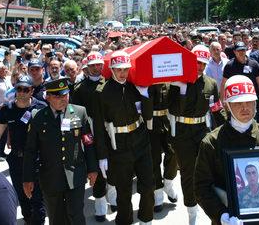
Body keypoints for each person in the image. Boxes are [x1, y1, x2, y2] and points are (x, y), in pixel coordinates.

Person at [195, 75, 259, 225]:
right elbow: (201, 187)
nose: (245, 107)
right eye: (238, 103)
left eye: (249, 101)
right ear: (227, 105)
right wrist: (221, 215)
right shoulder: (211, 143)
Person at [22, 77, 97, 225]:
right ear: (48, 97)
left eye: (65, 94)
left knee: (76, 215)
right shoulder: (38, 117)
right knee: (56, 217)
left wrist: (93, 168)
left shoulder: (79, 112)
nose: (63, 99)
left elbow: (88, 142)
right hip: (50, 176)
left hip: (75, 173)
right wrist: (27, 178)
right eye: (58, 96)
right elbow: (30, 150)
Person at [93, 51, 154, 225]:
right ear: (111, 69)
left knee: (149, 185)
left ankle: (146, 219)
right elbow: (98, 126)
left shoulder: (135, 86)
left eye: (126, 69)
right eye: (119, 69)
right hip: (118, 145)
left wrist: (145, 95)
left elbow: (148, 115)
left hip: (140, 140)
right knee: (124, 192)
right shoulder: (101, 92)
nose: (123, 73)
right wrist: (102, 155)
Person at [168, 44, 225, 225]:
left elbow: (216, 109)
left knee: (209, 170)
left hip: (202, 130)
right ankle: (192, 211)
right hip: (183, 133)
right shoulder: (178, 82)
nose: (199, 66)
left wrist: (230, 126)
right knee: (188, 173)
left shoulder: (211, 83)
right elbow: (174, 108)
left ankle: (210, 207)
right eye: (196, 62)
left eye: (202, 63)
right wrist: (182, 89)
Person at [0, 76, 46, 225]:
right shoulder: (7, 109)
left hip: (37, 159)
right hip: (17, 158)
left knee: (38, 197)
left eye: (25, 89)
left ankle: (37, 220)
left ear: (32, 91)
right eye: (18, 89)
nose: (21, 92)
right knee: (21, 194)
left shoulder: (41, 108)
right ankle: (28, 218)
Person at [70, 52, 111, 222]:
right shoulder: (79, 89)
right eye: (93, 65)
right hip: (90, 132)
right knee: (95, 165)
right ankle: (100, 203)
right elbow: (74, 113)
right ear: (87, 67)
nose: (96, 68)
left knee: (114, 165)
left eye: (99, 65)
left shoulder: (109, 84)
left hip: (110, 131)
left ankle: (113, 196)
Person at [148, 83, 178, 216]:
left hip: (166, 120)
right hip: (151, 122)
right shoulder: (146, 81)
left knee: (173, 152)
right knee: (154, 159)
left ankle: (168, 182)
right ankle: (158, 193)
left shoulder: (168, 80)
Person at [221, 41, 259, 120]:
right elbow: (224, 84)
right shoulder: (229, 66)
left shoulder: (254, 64)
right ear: (234, 51)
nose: (241, 52)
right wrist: (224, 101)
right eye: (238, 50)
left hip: (251, 100)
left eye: (243, 50)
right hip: (236, 102)